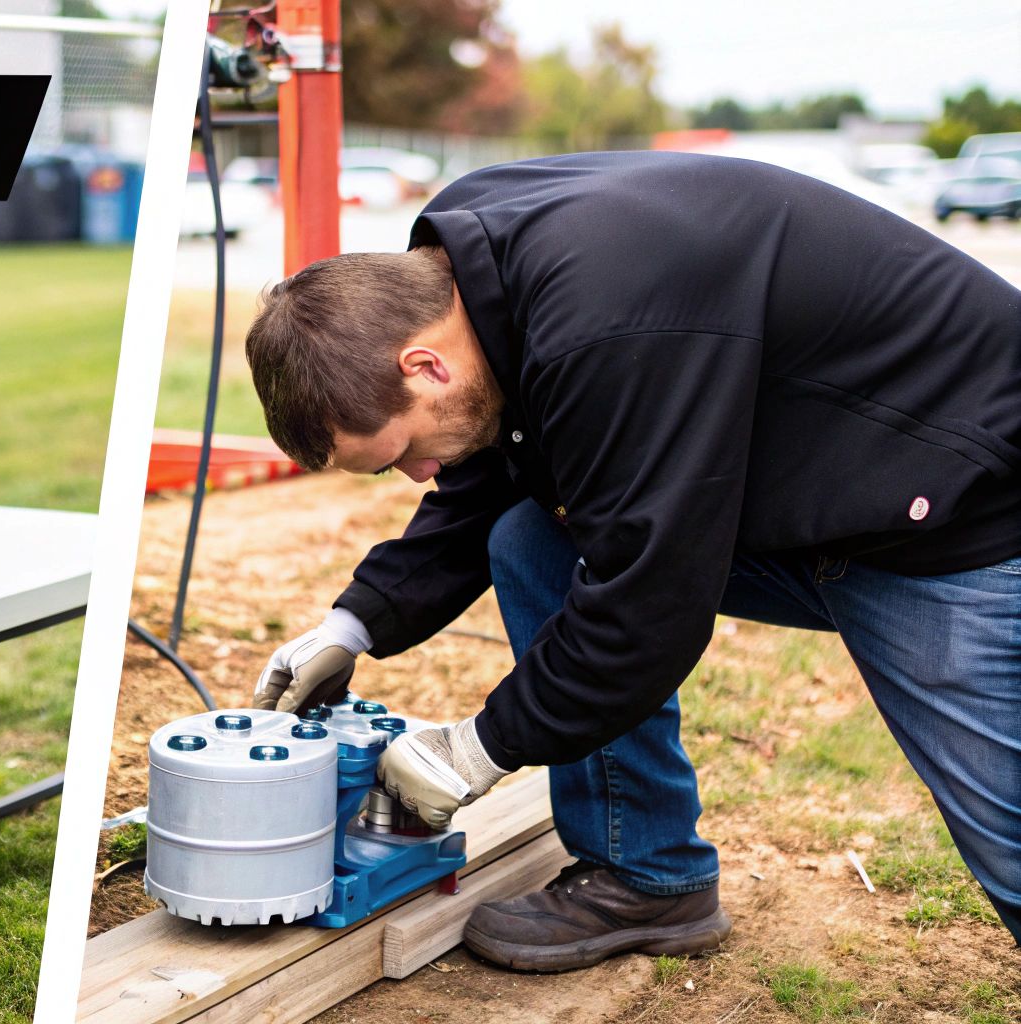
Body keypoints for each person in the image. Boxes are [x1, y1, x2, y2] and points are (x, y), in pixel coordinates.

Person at [244, 150, 1021, 972]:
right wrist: (355, 622)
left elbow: (646, 607)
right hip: (820, 484)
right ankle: (648, 876)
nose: (419, 474)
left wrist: (477, 749)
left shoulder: (605, 324)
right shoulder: (467, 277)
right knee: (532, 537)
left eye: (401, 452)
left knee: (1006, 833)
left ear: (425, 365)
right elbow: (498, 469)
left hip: (961, 503)